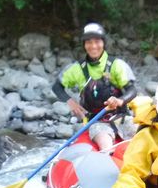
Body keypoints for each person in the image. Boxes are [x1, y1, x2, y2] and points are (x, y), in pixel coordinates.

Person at [52, 22, 137, 151]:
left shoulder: (117, 65)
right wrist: (71, 102)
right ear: (84, 45)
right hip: (96, 122)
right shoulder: (77, 69)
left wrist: (120, 100)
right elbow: (57, 87)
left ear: (103, 43)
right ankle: (108, 156)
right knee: (105, 145)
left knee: (142, 136)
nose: (93, 46)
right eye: (88, 42)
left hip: (121, 117)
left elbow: (132, 90)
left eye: (97, 41)